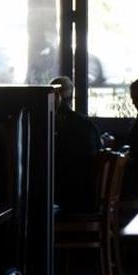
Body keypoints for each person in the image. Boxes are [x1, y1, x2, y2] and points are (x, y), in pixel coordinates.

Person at [51, 76, 103, 214]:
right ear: (71, 97)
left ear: (55, 98)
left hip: (69, 201)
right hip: (89, 197)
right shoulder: (87, 124)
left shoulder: (53, 126)